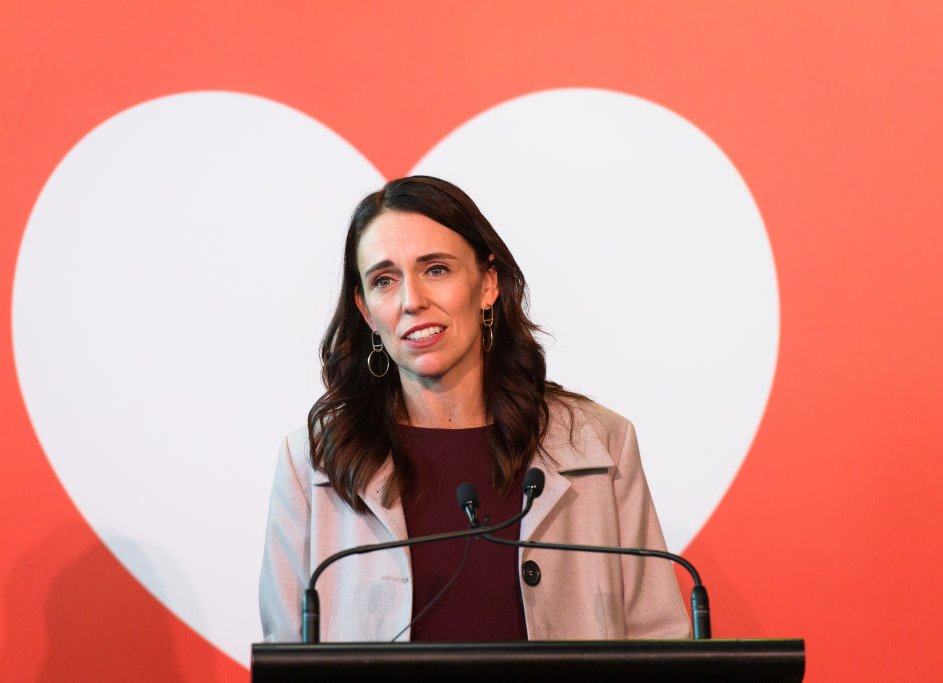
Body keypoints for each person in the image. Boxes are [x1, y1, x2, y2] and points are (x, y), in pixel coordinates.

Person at [259, 176, 690, 642]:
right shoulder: (312, 462)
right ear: (366, 311)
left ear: (488, 283)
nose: (412, 301)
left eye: (436, 269)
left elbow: (658, 643)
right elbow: (288, 651)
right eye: (384, 280)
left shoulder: (599, 442)